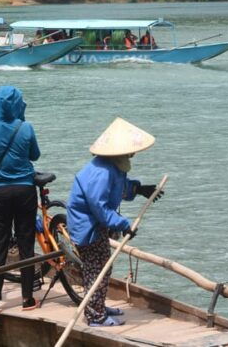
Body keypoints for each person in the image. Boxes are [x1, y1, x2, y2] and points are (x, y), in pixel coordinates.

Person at [66, 117, 164, 327]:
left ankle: (98, 304)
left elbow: (120, 187)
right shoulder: (100, 172)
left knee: (104, 266)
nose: (132, 154)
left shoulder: (112, 167)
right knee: (96, 268)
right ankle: (94, 315)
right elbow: (99, 207)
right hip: (87, 228)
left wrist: (139, 189)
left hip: (97, 226)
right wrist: (123, 224)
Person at [0, 86, 41, 313]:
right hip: (25, 190)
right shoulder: (26, 127)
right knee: (26, 243)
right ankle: (28, 299)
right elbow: (35, 155)